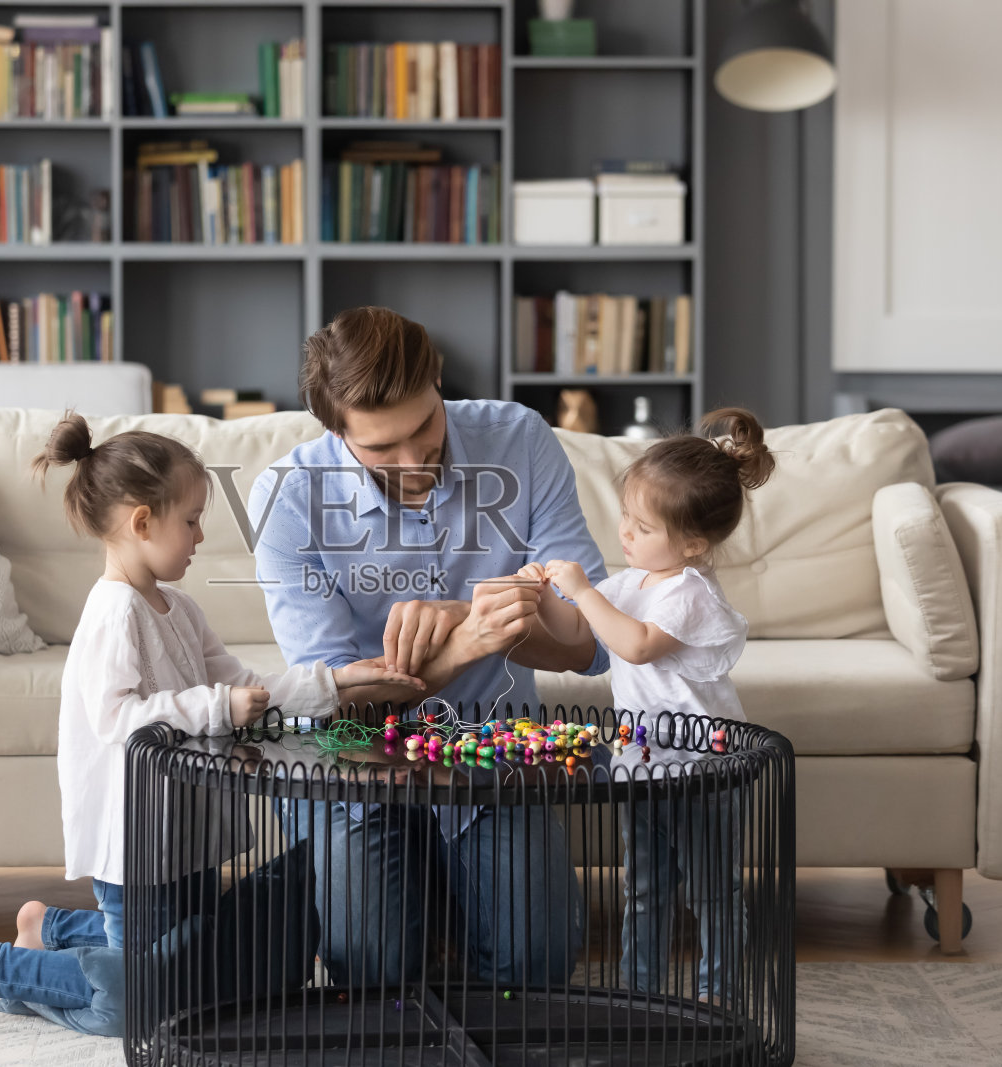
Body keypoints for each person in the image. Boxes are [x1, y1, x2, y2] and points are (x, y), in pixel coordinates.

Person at [0, 420, 421, 1034]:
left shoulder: (180, 610)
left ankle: (47, 928)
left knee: (183, 961)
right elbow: (118, 718)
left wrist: (339, 684)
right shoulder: (111, 614)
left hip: (190, 838)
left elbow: (247, 689)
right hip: (138, 847)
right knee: (143, 1000)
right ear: (142, 522)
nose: (201, 537)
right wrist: (214, 708)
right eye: (192, 520)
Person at [249, 307, 610, 987]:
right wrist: (462, 645)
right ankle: (427, 894)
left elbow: (589, 642)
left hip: (487, 751)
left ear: (438, 380)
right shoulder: (289, 496)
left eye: (425, 426)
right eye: (382, 448)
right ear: (336, 431)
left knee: (537, 963)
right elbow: (336, 709)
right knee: (371, 969)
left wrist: (474, 615)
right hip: (350, 765)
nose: (415, 461)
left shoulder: (520, 439)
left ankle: (442, 892)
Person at [520, 407, 775, 999]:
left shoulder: (690, 593)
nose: (625, 534)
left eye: (641, 526)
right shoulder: (633, 583)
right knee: (644, 886)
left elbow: (632, 647)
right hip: (643, 763)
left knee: (711, 889)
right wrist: (543, 595)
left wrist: (582, 589)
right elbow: (577, 628)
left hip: (699, 768)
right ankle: (642, 996)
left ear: (692, 542)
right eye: (626, 519)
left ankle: (720, 996)